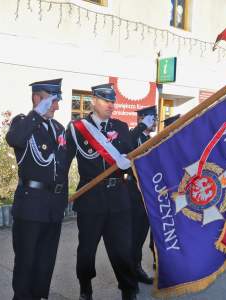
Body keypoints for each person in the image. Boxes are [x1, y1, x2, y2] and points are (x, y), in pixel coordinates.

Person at [66, 83, 138, 300]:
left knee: (123, 249)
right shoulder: (77, 128)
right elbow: (63, 162)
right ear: (93, 101)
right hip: (91, 197)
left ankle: (128, 289)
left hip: (118, 198)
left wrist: (132, 169)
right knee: (87, 250)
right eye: (106, 101)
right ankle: (85, 288)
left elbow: (134, 159)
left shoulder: (122, 127)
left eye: (113, 101)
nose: (111, 105)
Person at [6, 79, 68, 300]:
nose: (57, 106)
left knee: (46, 260)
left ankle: (41, 295)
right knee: (26, 260)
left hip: (53, 206)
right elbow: (14, 139)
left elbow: (62, 169)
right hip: (31, 206)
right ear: (37, 99)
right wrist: (35, 114)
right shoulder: (23, 123)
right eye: (52, 101)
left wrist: (62, 203)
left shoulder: (59, 128)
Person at [127, 106, 156, 285]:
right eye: (152, 118)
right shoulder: (134, 135)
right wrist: (139, 126)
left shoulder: (149, 138)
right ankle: (129, 272)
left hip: (147, 193)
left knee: (140, 234)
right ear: (142, 119)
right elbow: (126, 146)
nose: (154, 122)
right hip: (133, 192)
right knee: (132, 235)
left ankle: (136, 268)